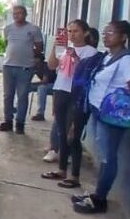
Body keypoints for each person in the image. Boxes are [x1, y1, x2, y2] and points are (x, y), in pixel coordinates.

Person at [73, 21, 130, 215]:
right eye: (104, 33)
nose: (105, 36)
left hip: (111, 116)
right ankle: (96, 193)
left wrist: (125, 105)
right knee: (103, 155)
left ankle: (100, 199)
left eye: (110, 33)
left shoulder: (127, 60)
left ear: (123, 37)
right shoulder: (108, 57)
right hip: (98, 111)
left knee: (107, 157)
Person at [39, 20, 97, 171]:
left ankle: (71, 170)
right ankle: (61, 168)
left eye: (76, 31)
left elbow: (84, 74)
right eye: (69, 31)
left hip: (75, 94)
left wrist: (76, 58)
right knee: (60, 129)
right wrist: (55, 46)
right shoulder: (65, 49)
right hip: (60, 90)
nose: (72, 34)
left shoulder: (91, 52)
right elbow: (52, 65)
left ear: (85, 33)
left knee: (70, 132)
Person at [0, 5, 43, 134]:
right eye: (15, 13)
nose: (17, 15)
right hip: (8, 66)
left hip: (25, 67)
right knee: (7, 95)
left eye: (20, 13)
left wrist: (30, 57)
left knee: (22, 95)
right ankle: (8, 121)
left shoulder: (33, 29)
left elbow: (39, 46)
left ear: (25, 14)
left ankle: (20, 123)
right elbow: (7, 44)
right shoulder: (8, 29)